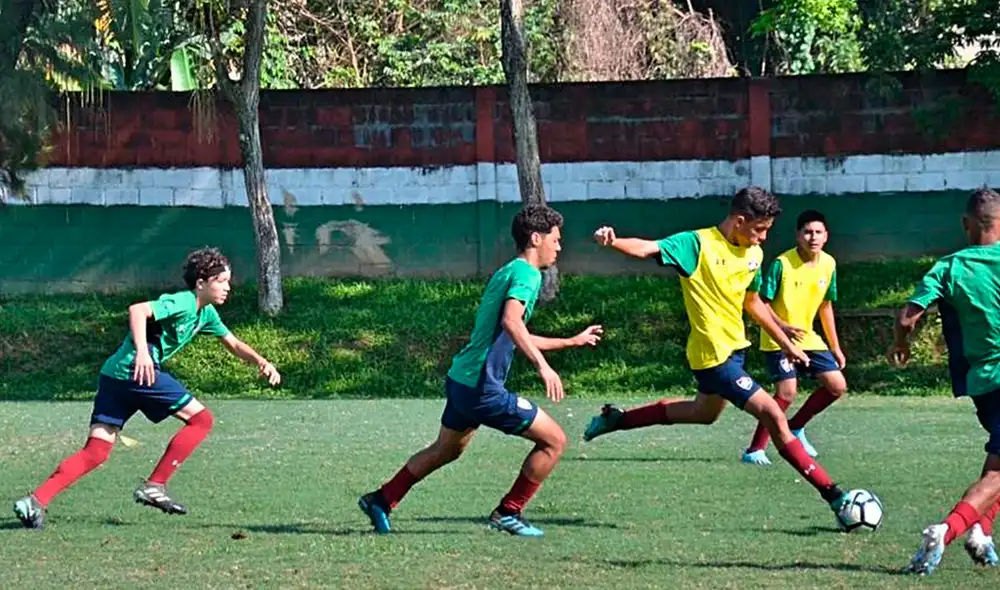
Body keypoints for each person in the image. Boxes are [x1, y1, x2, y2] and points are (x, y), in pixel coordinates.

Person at [583, 186, 851, 518]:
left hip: (736, 350)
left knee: (703, 413)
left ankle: (618, 419)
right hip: (713, 357)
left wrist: (786, 343)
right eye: (760, 229)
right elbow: (647, 248)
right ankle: (834, 496)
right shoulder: (697, 244)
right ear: (739, 220)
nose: (764, 238)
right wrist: (613, 241)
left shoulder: (753, 254)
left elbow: (753, 303)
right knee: (773, 413)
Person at [357, 204, 602, 537]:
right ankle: (509, 512)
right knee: (554, 441)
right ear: (535, 238)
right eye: (556, 240)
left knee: (446, 449)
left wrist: (570, 342)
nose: (559, 247)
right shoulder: (528, 275)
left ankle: (381, 499)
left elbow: (514, 333)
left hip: (462, 380)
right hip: (482, 388)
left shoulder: (509, 271)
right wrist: (543, 367)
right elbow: (511, 323)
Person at [13, 247, 281, 529]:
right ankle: (155, 485)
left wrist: (262, 362)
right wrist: (142, 351)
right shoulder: (185, 302)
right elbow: (138, 310)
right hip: (136, 370)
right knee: (201, 420)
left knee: (97, 451)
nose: (228, 287)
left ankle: (34, 502)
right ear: (201, 283)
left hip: (113, 374)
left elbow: (234, 343)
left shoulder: (207, 314)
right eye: (222, 281)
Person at [890, 188, 1000, 574]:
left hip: (984, 382)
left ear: (966, 224)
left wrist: (900, 346)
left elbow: (906, 317)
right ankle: (946, 531)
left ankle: (980, 532)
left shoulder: (950, 266)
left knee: (997, 468)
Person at [742, 209, 848, 466]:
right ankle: (755, 449)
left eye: (818, 232)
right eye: (807, 232)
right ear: (798, 235)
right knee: (787, 393)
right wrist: (782, 327)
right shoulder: (782, 264)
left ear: (826, 236)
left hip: (808, 338)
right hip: (778, 338)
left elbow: (825, 307)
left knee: (837, 386)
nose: (813, 237)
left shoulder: (829, 264)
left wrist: (835, 346)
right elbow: (761, 302)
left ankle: (796, 428)